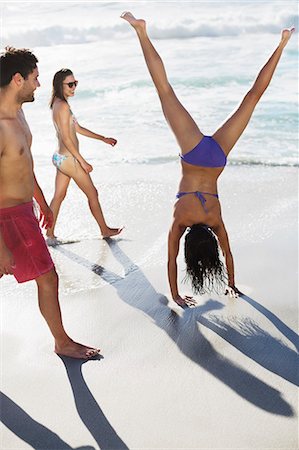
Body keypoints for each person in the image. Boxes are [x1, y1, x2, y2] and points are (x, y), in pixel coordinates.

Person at [121, 12, 294, 307]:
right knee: (164, 90)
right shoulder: (180, 222)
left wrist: (232, 284)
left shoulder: (215, 221)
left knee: (252, 97)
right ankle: (141, 32)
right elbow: (171, 260)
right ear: (191, 246)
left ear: (208, 245)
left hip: (216, 159)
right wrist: (174, 294)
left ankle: (283, 44)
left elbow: (228, 254)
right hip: (192, 154)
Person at [0, 47, 100, 358]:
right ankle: (62, 342)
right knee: (48, 276)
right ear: (18, 79)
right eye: (35, 78)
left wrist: (41, 202)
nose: (39, 85)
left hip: (23, 211)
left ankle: (61, 341)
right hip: (7, 217)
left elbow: (23, 165)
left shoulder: (18, 113)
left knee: (45, 277)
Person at [46, 68, 122, 245]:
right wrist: (82, 161)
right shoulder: (63, 106)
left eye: (75, 83)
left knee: (58, 196)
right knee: (92, 193)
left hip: (60, 158)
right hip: (70, 160)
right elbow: (66, 137)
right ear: (60, 85)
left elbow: (77, 129)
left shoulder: (58, 103)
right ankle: (104, 229)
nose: (74, 88)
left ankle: (49, 235)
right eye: (70, 84)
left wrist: (103, 138)